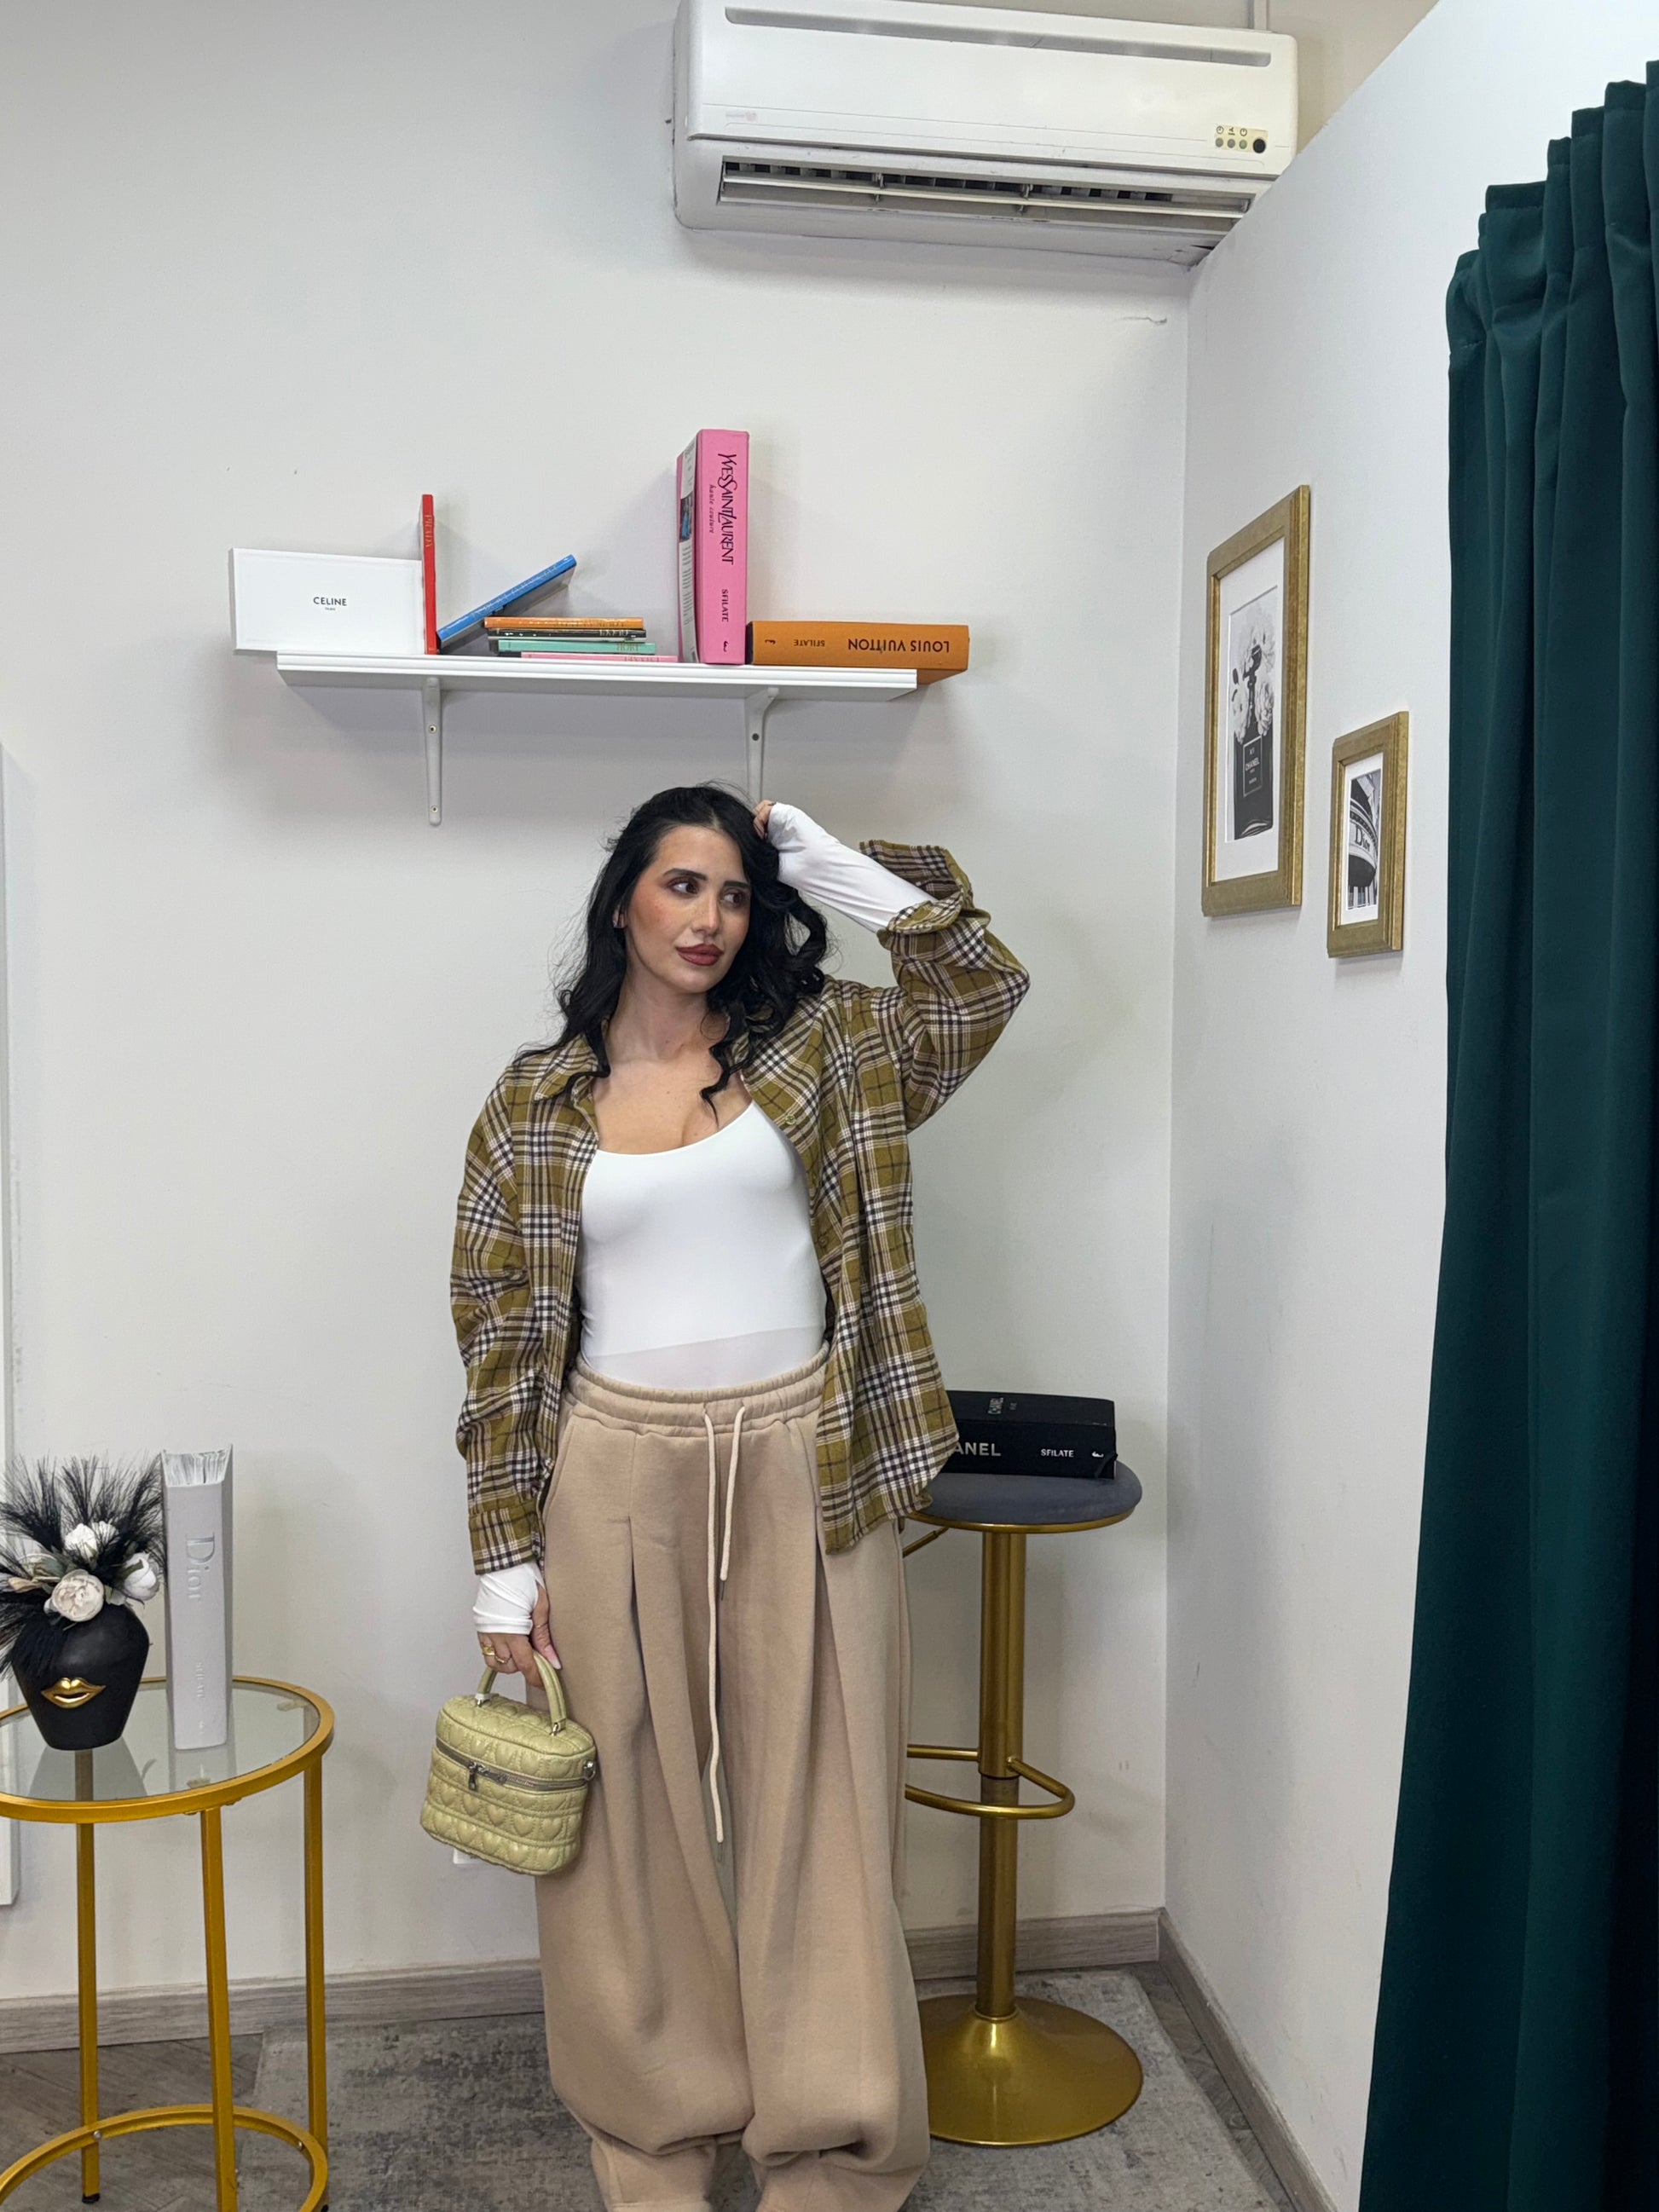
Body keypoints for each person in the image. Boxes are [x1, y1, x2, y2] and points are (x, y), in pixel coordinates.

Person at [451, 785, 1027, 2212]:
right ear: (622, 902)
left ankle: (831, 2153)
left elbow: (979, 987)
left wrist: (839, 872)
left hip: (802, 1461)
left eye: (733, 892)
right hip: (609, 1469)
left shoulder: (825, 1047)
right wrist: (503, 1565)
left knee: (824, 1809)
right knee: (624, 1833)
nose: (708, 919)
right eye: (680, 885)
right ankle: (653, 2143)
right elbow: (501, 1338)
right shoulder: (531, 1103)